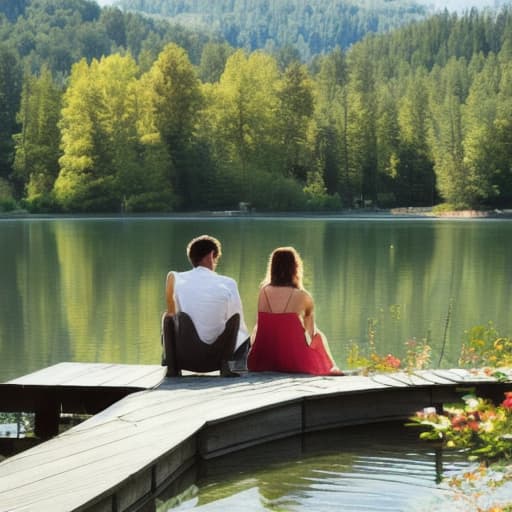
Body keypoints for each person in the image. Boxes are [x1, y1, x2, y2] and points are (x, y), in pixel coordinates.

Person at [162, 235, 250, 377]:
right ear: (211, 256)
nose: (215, 263)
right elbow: (238, 323)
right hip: (216, 359)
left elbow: (171, 310)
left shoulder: (177, 279)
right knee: (237, 321)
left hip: (185, 357)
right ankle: (227, 366)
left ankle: (171, 366)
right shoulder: (228, 283)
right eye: (216, 258)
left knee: (168, 317)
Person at [247, 246, 342, 376]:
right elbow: (311, 333)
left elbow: (259, 326)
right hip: (294, 362)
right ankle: (332, 368)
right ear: (295, 268)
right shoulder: (303, 295)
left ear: (273, 268)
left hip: (262, 361)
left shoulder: (263, 292)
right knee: (319, 335)